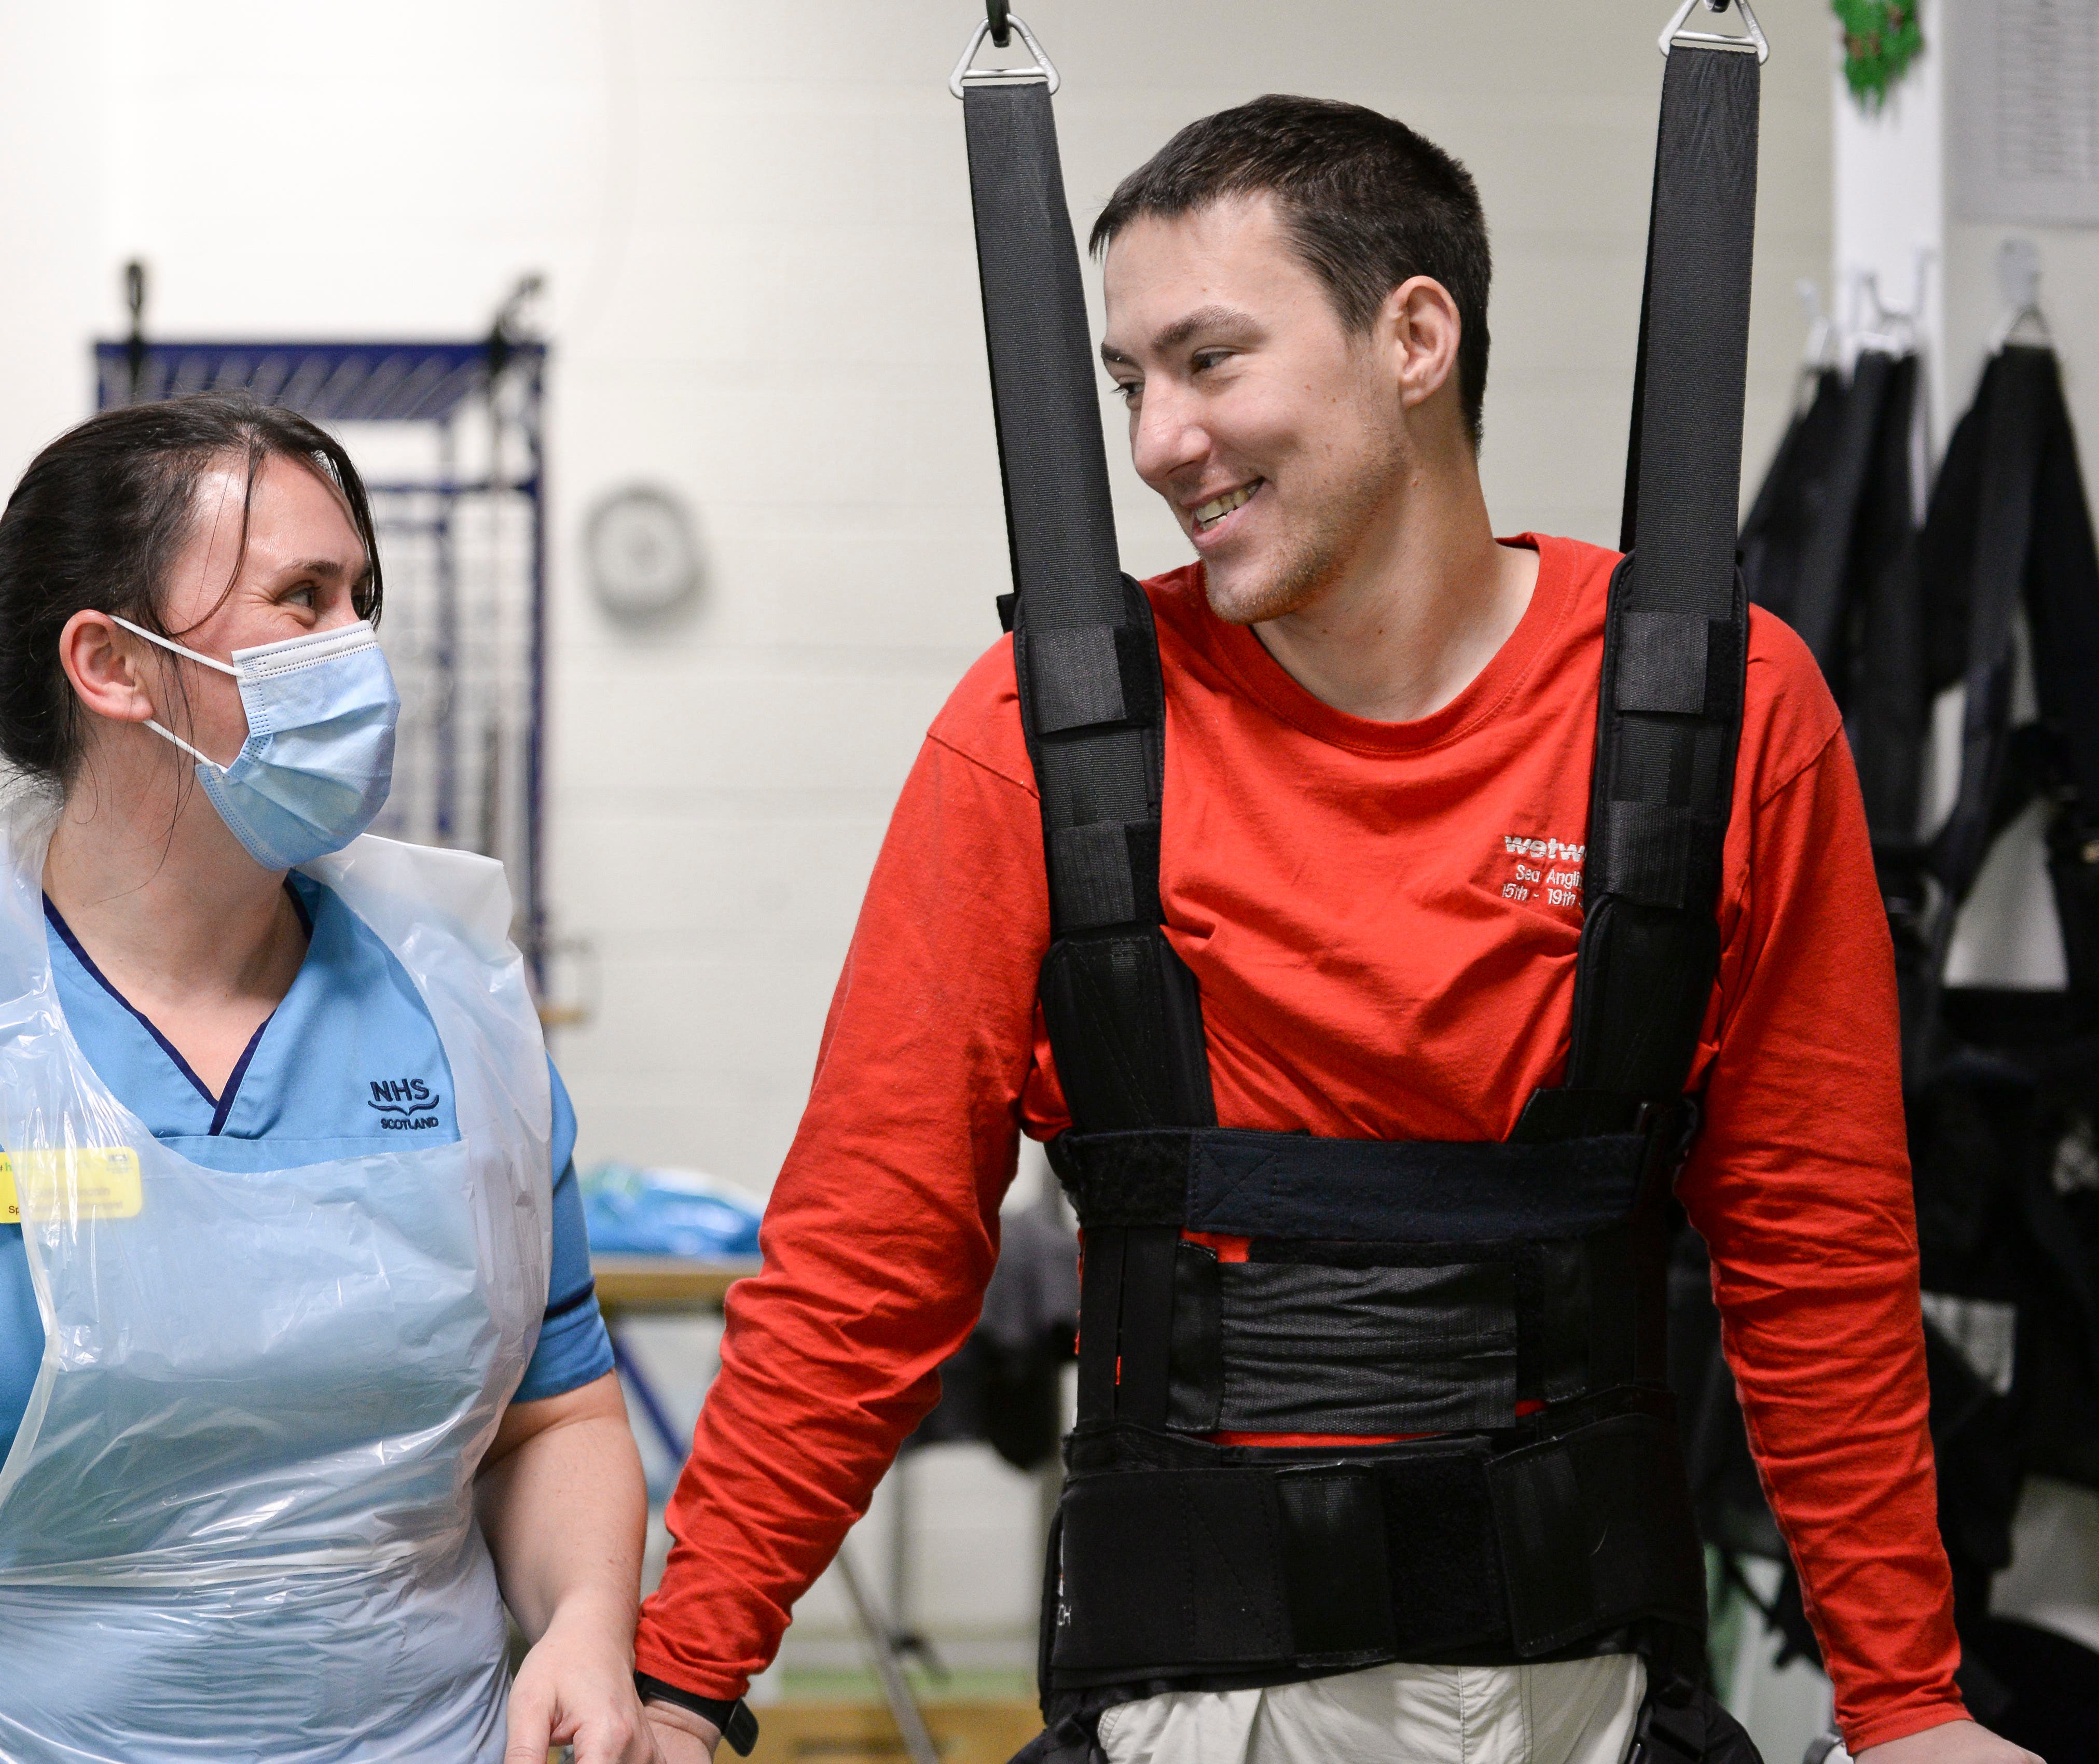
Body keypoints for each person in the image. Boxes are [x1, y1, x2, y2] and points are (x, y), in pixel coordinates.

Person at [632, 100, 2037, 1764]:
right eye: (1128, 381)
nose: (1156, 439)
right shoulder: (1039, 738)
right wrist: (689, 1676)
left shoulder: (1721, 719)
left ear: (1415, 337)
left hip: (1579, 1706)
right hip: (1188, 1717)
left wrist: (1908, 1705)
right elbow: (868, 1249)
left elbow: (1817, 1246)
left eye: (1209, 358)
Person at [0, 393, 653, 1764]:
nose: (356, 648)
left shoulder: (463, 1001)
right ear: (111, 664)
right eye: (301, 599)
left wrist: (589, 1625)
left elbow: (555, 1416)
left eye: (365, 596)